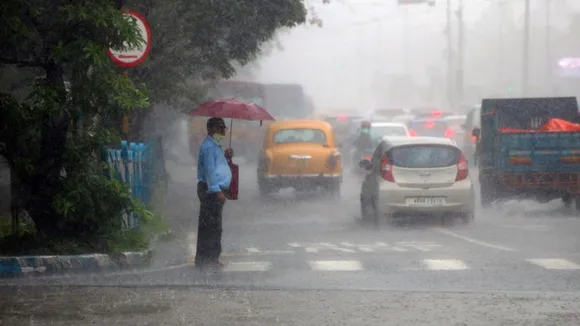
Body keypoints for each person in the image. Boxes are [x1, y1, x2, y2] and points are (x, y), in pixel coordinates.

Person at [195, 117, 232, 270]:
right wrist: (217, 191)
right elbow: (210, 171)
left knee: (210, 225)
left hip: (212, 189)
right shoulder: (209, 147)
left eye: (224, 128)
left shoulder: (214, 146)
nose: (223, 131)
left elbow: (217, 165)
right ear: (211, 130)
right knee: (212, 226)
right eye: (220, 128)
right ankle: (209, 258)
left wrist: (226, 156)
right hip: (211, 191)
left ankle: (206, 258)